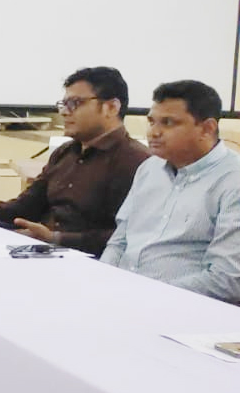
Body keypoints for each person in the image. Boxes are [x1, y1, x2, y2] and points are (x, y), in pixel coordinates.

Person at [0, 67, 150, 255]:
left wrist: (56, 239)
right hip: (41, 251)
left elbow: (130, 235)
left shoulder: (137, 162)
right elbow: (27, 205)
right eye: (63, 104)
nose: (64, 112)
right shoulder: (66, 152)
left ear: (111, 108)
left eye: (75, 103)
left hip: (89, 264)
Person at [101, 80, 240, 304]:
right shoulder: (149, 168)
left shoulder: (233, 181)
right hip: (124, 298)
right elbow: (119, 243)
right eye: (151, 121)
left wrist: (147, 295)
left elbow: (227, 279)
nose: (153, 132)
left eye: (168, 123)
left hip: (185, 308)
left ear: (207, 128)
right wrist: (102, 281)